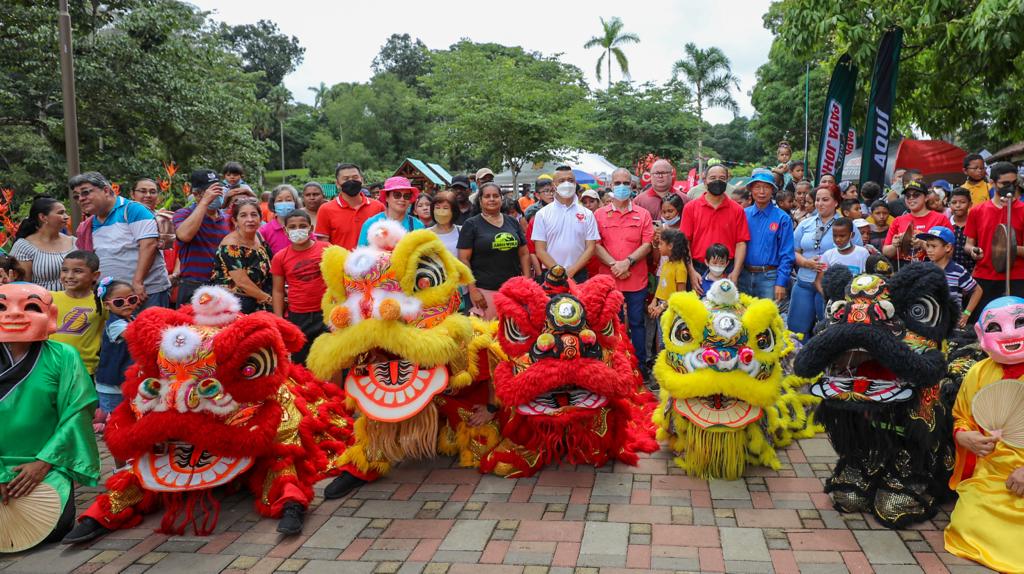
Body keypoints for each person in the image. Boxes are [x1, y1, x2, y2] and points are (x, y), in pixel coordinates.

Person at [0, 282, 100, 551]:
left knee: (55, 529)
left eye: (31, 307)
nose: (14, 314)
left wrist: (43, 463)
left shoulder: (64, 356)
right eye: (1, 307)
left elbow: (78, 412)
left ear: (51, 316)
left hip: (44, 462)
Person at [944, 296, 1024, 573]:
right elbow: (961, 416)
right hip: (989, 475)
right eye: (995, 327)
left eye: (1020, 322)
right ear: (980, 335)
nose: (1010, 333)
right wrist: (963, 436)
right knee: (969, 523)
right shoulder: (978, 372)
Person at [71, 172, 170, 309]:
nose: (81, 199)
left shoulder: (133, 210)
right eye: (77, 196)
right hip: (111, 299)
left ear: (106, 190)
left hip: (145, 293)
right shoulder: (87, 225)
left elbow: (148, 245)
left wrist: (138, 282)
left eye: (86, 192)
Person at [594, 172, 655, 372]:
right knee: (613, 323)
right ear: (611, 185)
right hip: (609, 281)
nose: (621, 186)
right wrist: (616, 265)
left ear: (632, 185)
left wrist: (627, 263)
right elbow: (595, 245)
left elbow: (647, 244)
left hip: (636, 280)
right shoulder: (599, 214)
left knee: (637, 323)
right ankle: (615, 365)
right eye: (617, 183)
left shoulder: (643, 214)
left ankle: (640, 366)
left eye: (626, 183)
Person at [789, 184, 863, 338]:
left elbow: (857, 252)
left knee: (829, 330)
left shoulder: (847, 226)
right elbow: (793, 251)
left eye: (825, 200)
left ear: (836, 202)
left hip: (833, 287)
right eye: (817, 200)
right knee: (797, 330)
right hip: (804, 281)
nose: (819, 204)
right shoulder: (805, 223)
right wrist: (805, 262)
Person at [458, 183, 531, 320]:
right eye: (487, 196)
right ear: (480, 201)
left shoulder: (512, 222)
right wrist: (472, 290)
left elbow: (524, 253)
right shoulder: (471, 224)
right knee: (489, 337)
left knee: (514, 334)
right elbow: (463, 259)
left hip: (513, 291)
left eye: (496, 196)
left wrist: (526, 282)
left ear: (501, 199)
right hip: (484, 291)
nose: (492, 199)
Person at [964, 161, 1024, 313]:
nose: (1010, 187)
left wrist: (1009, 248)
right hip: (985, 276)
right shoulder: (977, 211)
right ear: (992, 183)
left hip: (1018, 277)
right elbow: (968, 244)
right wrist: (973, 251)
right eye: (1005, 183)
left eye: (1014, 183)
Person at [681, 167, 750, 296]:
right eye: (712, 178)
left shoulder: (737, 210)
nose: (717, 181)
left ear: (727, 180)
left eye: (722, 178)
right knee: (698, 311)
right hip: (699, 268)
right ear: (705, 180)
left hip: (727, 268)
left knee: (725, 310)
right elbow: (685, 242)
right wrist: (691, 271)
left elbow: (741, 243)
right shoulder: (690, 208)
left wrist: (735, 272)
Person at [271, 209, 328, 365]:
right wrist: (279, 318)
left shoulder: (326, 249)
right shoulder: (280, 257)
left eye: (302, 226)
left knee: (327, 360)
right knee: (300, 360)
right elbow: (277, 290)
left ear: (311, 228)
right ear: (285, 230)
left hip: (325, 313)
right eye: (293, 227)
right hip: (298, 315)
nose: (298, 230)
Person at [172, 169, 232, 307]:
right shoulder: (184, 214)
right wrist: (204, 203)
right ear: (196, 194)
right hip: (193, 285)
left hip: (223, 286)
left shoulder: (228, 218)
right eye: (211, 191)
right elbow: (184, 235)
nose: (217, 194)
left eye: (219, 189)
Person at [531, 166, 600, 283]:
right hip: (551, 273)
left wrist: (571, 271)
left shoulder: (587, 214)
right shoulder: (542, 214)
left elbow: (591, 247)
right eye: (562, 181)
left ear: (575, 183)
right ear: (554, 185)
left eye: (570, 180)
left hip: (579, 274)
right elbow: (540, 250)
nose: (567, 184)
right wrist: (559, 272)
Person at [50, 251, 105, 379]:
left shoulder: (101, 302)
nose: (69, 276)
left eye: (78, 271)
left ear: (95, 275)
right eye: (64, 270)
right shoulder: (49, 298)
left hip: (84, 368)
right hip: (51, 366)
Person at [212, 199, 273, 313]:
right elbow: (242, 282)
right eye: (243, 215)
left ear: (260, 219)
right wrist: (269, 299)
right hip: (233, 304)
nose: (250, 220)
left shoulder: (259, 236)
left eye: (254, 215)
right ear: (235, 221)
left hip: (258, 299)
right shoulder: (231, 245)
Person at [741, 172, 794, 302]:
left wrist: (781, 282)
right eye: (757, 187)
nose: (762, 192)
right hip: (743, 275)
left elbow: (787, 253)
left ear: (772, 190)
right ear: (751, 190)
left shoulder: (783, 218)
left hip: (770, 277)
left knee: (766, 318)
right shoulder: (742, 215)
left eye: (766, 187)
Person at [916, 226, 982, 328]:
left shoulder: (958, 271)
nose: (929, 250)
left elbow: (977, 291)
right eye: (928, 246)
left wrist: (966, 314)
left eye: (933, 246)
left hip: (951, 325)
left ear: (948, 248)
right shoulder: (924, 269)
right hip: (928, 323)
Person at [94, 278, 139, 419]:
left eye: (131, 299)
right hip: (113, 383)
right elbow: (135, 335)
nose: (126, 304)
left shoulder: (132, 318)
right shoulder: (115, 324)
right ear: (107, 305)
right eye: (119, 302)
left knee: (126, 414)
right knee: (116, 418)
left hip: (124, 380)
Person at [315, 163, 385, 250]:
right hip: (340, 262)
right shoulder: (325, 210)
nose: (351, 181)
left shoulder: (378, 207)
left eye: (355, 177)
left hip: (373, 262)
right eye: (346, 179)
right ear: (337, 183)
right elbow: (323, 245)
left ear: (362, 180)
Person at [10, 196, 74, 291]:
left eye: (65, 212)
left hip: (74, 303)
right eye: (61, 213)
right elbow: (22, 287)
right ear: (43, 217)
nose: (66, 217)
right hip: (42, 303)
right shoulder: (24, 247)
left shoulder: (74, 241)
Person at [882, 181, 953, 264]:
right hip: (903, 267)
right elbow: (886, 252)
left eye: (916, 195)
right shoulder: (898, 220)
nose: (911, 198)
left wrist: (923, 244)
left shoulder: (941, 219)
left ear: (926, 197)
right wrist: (895, 245)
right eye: (908, 196)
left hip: (931, 268)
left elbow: (950, 251)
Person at [131, 178, 177, 284]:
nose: (148, 195)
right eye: (142, 191)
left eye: (152, 192)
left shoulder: (163, 218)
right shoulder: (122, 217)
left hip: (156, 279)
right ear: (133, 194)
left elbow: (167, 247)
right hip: (127, 278)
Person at [357, 176, 425, 246]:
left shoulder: (417, 225)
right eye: (397, 195)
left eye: (406, 196)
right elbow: (362, 254)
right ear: (387, 197)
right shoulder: (371, 224)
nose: (402, 199)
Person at [816, 218, 870, 293]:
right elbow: (818, 281)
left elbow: (868, 278)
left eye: (842, 236)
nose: (837, 239)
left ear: (852, 235)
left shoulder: (862, 253)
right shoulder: (828, 255)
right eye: (835, 236)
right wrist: (827, 297)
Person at [648, 226, 690, 324]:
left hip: (671, 310)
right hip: (660, 307)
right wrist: (654, 300)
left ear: (670, 246)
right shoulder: (666, 263)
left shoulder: (680, 268)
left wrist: (662, 307)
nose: (658, 246)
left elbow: (680, 295)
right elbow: (661, 287)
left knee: (667, 338)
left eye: (661, 243)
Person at [259, 184, 304, 255]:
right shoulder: (264, 231)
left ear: (295, 203)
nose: (284, 203)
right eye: (279, 200)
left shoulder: (303, 226)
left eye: (288, 200)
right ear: (273, 204)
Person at [948, 187, 975, 273]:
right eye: (954, 202)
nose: (958, 205)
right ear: (949, 204)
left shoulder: (975, 224)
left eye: (962, 202)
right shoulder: (945, 224)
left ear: (970, 204)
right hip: (949, 272)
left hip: (972, 272)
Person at [428, 192, 461, 256]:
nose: (441, 212)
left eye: (445, 208)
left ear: (454, 211)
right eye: (437, 208)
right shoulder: (425, 234)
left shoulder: (461, 231)